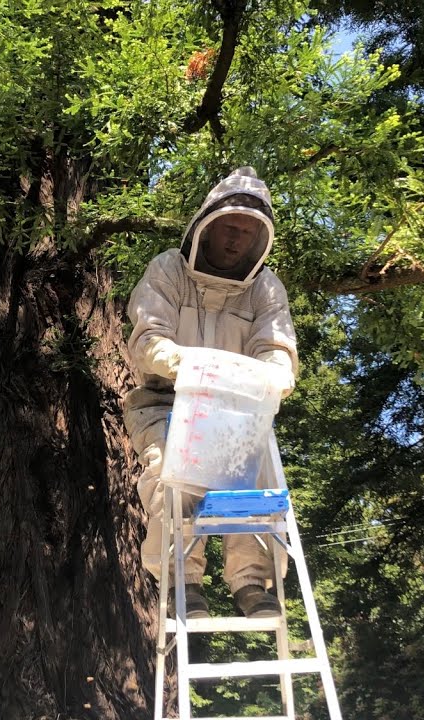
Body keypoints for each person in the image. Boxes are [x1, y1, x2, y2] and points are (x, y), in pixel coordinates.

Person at [124, 167, 298, 619]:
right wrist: (193, 366)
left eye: (246, 232)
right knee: (169, 475)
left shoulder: (266, 288)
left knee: (255, 485)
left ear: (260, 241)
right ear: (206, 227)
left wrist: (276, 376)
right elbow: (147, 340)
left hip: (237, 410)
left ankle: (251, 582)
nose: (236, 240)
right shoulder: (167, 270)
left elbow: (278, 349)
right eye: (229, 228)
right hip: (166, 403)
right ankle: (181, 577)